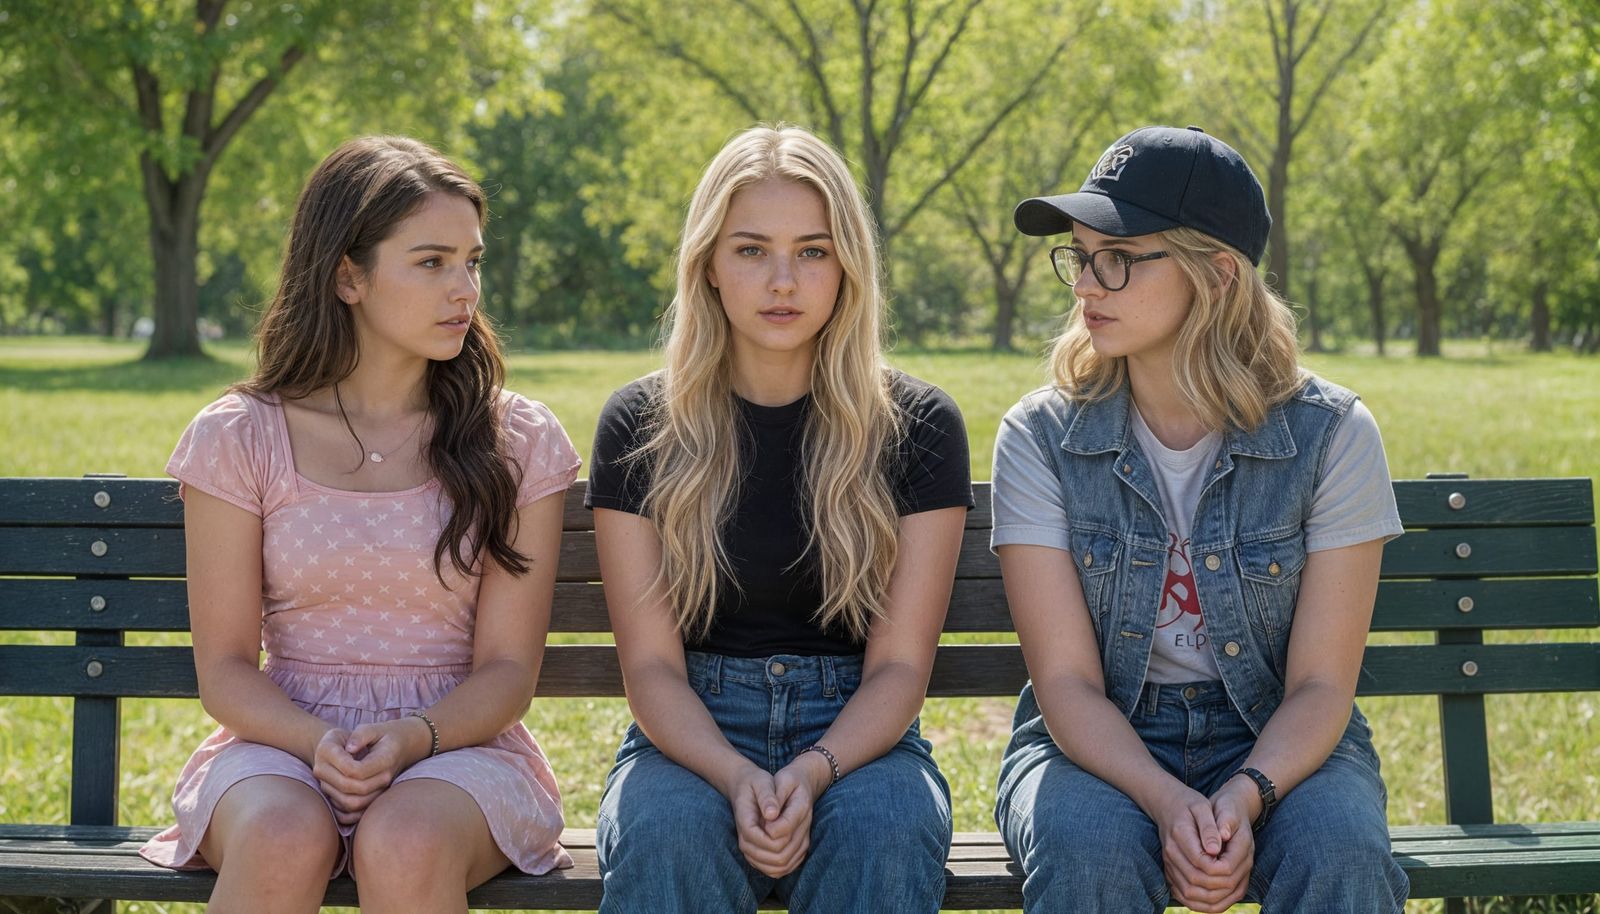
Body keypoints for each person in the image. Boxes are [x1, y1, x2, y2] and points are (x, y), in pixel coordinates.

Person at [138, 136, 580, 913]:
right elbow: (230, 669)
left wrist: (413, 738)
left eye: (472, 262)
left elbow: (508, 671)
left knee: (404, 840)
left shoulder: (517, 442)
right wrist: (316, 744)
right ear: (348, 275)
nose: (465, 291)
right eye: (432, 261)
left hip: (458, 747)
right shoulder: (240, 437)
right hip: (281, 743)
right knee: (280, 834)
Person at [990, 125, 1410, 913]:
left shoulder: (1332, 436)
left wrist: (1245, 794)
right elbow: (1069, 685)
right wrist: (1166, 799)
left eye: (1116, 259)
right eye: (1078, 257)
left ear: (1216, 274)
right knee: (1090, 860)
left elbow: (1320, 686)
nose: (1085, 286)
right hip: (1098, 740)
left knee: (1342, 854)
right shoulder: (1041, 436)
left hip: (1280, 738)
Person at [585, 124, 972, 914]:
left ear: (848, 267)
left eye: (814, 251)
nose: (784, 281)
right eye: (752, 250)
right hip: (688, 733)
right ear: (709, 267)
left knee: (887, 833)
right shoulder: (640, 424)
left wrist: (813, 769)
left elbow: (899, 669)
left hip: (860, 732)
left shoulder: (919, 424)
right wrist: (734, 774)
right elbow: (652, 670)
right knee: (665, 836)